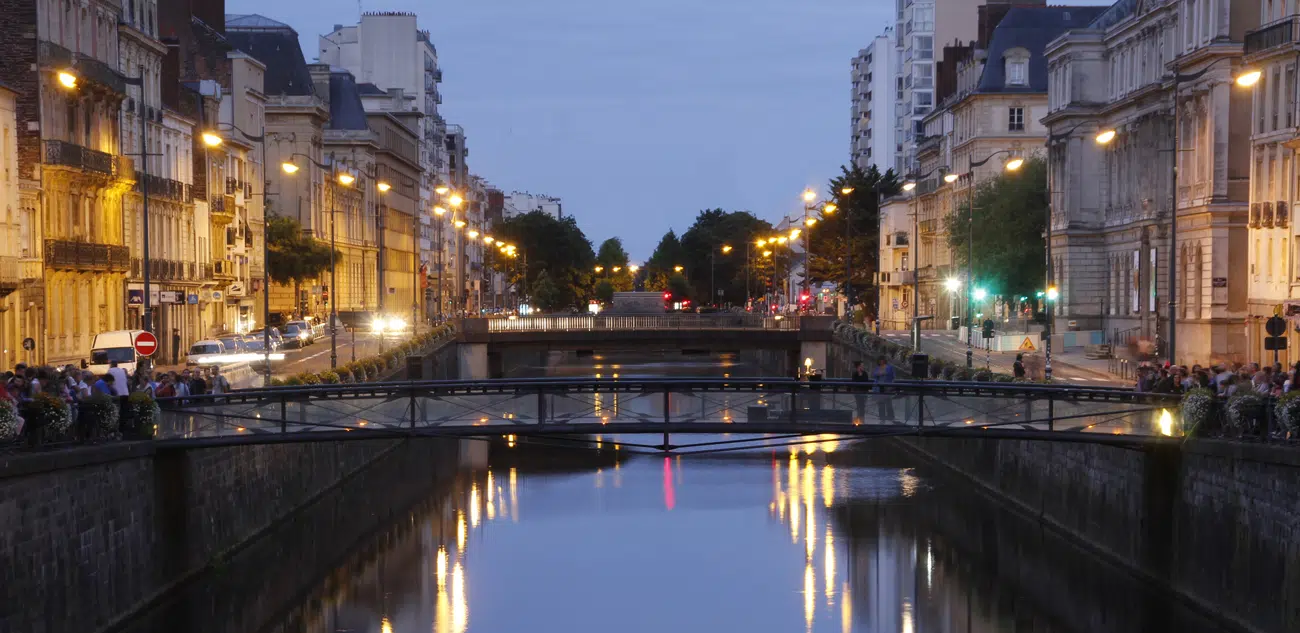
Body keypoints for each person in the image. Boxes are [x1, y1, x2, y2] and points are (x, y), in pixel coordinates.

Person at [871, 356, 896, 422]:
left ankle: (891, 417)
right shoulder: (877, 368)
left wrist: (891, 386)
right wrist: (880, 374)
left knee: (888, 403)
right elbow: (874, 375)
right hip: (879, 388)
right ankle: (882, 417)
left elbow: (892, 376)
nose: (881, 362)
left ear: (884, 360)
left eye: (882, 360)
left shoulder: (889, 367)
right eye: (879, 360)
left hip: (887, 387)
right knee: (880, 403)